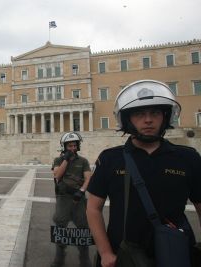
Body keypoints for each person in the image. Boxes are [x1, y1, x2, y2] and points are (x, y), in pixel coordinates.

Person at [86, 80, 201, 267]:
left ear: (165, 117)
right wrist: (105, 253)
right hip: (123, 256)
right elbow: (93, 208)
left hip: (175, 253)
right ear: (127, 120)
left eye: (155, 113)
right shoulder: (110, 159)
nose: (148, 120)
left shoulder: (188, 158)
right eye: (139, 114)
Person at [51, 132, 92, 267]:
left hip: (78, 198)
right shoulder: (58, 160)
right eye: (70, 146)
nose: (73, 148)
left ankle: (84, 259)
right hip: (63, 198)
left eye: (75, 145)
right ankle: (59, 258)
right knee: (60, 227)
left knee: (83, 227)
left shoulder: (83, 161)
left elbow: (88, 178)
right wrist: (66, 159)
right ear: (64, 147)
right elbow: (57, 175)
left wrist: (81, 191)